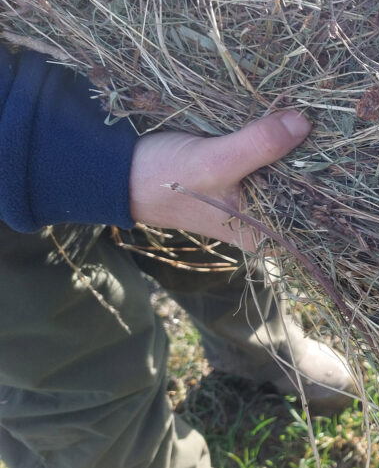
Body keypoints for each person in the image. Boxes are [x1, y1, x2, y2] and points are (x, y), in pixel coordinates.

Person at [0, 47, 356, 468]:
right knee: (77, 375)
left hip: (106, 74)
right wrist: (100, 169)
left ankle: (262, 350)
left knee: (212, 244)